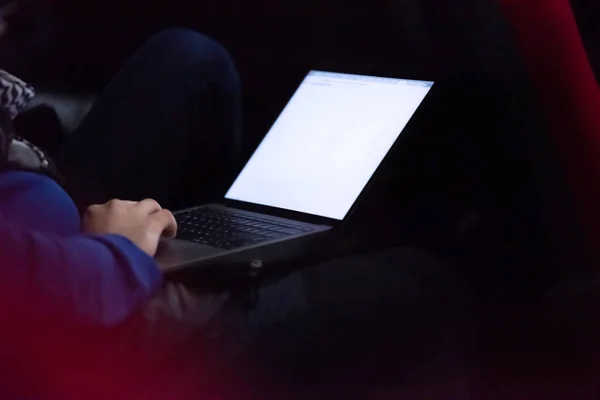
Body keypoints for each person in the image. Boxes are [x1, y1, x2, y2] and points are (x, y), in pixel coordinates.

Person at [0, 14, 473, 400]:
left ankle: (226, 255)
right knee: (421, 285)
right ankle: (235, 305)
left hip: (38, 210)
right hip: (72, 322)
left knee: (191, 60)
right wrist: (118, 251)